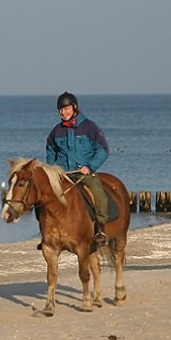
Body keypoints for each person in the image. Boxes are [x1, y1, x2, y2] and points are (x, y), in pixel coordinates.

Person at [45, 91, 110, 247]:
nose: (63, 112)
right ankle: (47, 232)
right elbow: (50, 151)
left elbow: (103, 149)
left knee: (98, 193)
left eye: (66, 108)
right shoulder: (56, 131)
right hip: (64, 175)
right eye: (60, 109)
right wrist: (52, 170)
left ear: (74, 108)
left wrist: (90, 167)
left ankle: (100, 229)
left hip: (84, 173)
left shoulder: (89, 127)